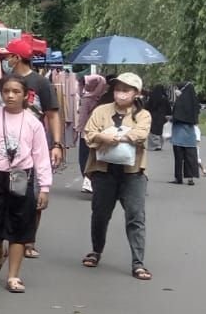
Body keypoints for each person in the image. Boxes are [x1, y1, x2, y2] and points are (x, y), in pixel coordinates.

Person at [0, 74, 52, 293]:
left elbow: (41, 156)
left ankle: (14, 276)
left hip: (21, 175)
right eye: (6, 91)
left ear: (25, 95)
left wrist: (44, 187)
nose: (11, 96)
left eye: (16, 92)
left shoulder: (33, 122)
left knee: (19, 225)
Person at [81, 73, 153, 280]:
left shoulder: (143, 115)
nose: (121, 94)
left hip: (133, 173)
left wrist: (116, 137)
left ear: (136, 93)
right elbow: (89, 133)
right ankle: (96, 251)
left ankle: (138, 263)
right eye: (118, 89)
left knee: (135, 216)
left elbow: (140, 134)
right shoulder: (101, 111)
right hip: (104, 171)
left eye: (126, 90)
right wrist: (102, 136)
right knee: (100, 214)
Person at [73, 74, 109, 192]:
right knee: (97, 159)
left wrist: (77, 132)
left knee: (84, 159)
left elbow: (82, 118)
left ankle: (88, 182)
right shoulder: (105, 99)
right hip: (101, 134)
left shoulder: (86, 99)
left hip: (86, 134)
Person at [169, 81, 202, 185]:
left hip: (179, 133)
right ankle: (190, 178)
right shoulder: (194, 102)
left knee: (178, 157)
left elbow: (176, 117)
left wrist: (170, 119)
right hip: (190, 134)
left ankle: (178, 178)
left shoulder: (180, 102)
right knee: (190, 157)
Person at [144, 84, 171, 152]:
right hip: (162, 116)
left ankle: (155, 145)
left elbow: (147, 106)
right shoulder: (164, 98)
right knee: (161, 131)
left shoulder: (152, 97)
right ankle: (160, 145)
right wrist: (169, 115)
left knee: (153, 131)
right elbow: (168, 108)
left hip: (153, 116)